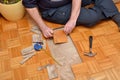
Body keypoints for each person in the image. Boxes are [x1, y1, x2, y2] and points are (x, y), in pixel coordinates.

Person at [22, 0, 120, 38]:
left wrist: (73, 19)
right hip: (55, 9)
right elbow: (29, 5)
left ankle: (116, 16)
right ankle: (107, 9)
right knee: (91, 18)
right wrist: (43, 28)